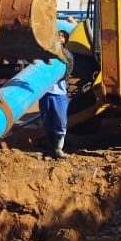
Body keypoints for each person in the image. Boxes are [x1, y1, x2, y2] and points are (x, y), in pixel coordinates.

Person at [39, 30, 73, 159]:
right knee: (47, 121)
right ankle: (51, 149)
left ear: (66, 40)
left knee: (60, 121)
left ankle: (59, 149)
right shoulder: (45, 53)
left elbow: (67, 71)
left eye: (62, 36)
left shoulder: (66, 55)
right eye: (58, 35)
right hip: (45, 93)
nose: (60, 38)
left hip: (59, 94)